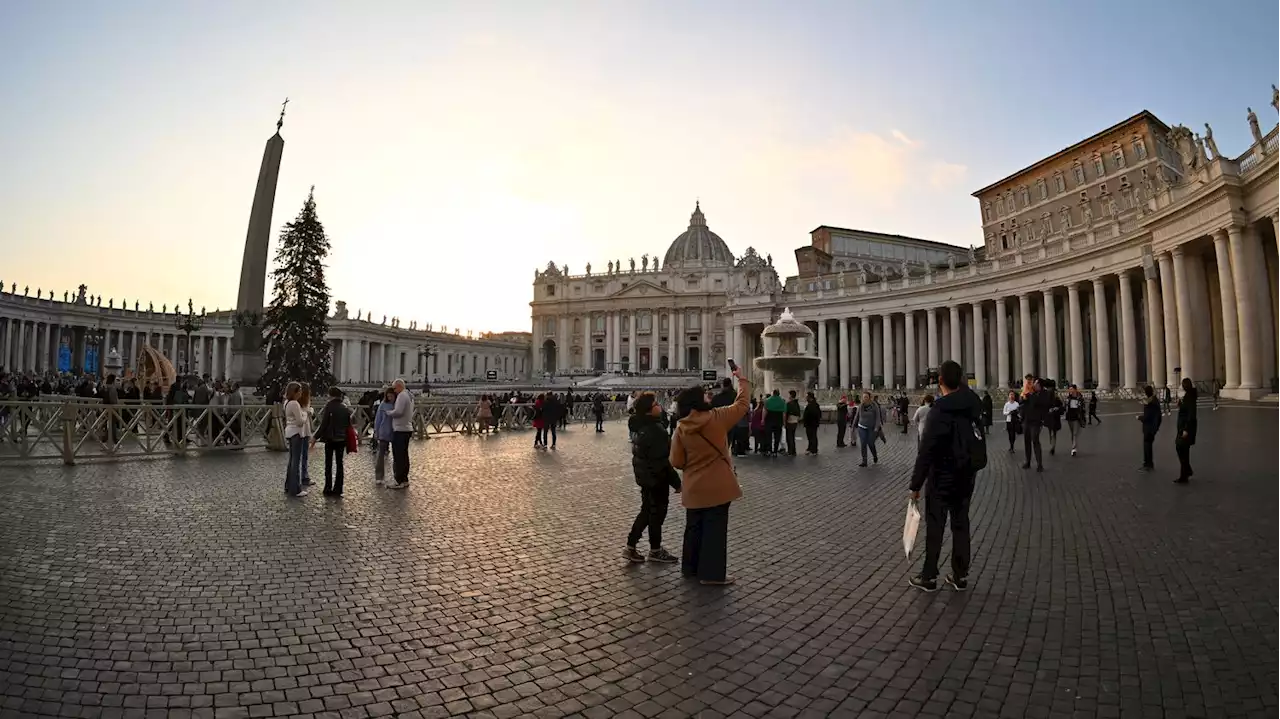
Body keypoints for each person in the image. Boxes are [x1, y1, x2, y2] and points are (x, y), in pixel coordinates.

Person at [670, 368, 750, 585]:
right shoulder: (717, 417)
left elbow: (676, 461)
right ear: (699, 401)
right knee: (715, 530)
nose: (709, 396)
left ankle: (690, 569)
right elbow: (742, 405)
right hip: (717, 486)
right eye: (705, 394)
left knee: (693, 528)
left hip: (693, 487)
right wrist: (742, 380)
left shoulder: (681, 428)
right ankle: (712, 575)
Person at [908, 360, 981, 592]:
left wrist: (916, 484)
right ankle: (959, 575)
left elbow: (926, 451)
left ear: (939, 381)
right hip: (966, 474)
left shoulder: (939, 410)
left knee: (935, 527)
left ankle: (929, 576)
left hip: (941, 476)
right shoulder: (972, 404)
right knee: (961, 524)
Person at [624, 392, 682, 563]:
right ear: (649, 410)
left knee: (646, 511)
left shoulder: (638, 426)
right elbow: (663, 461)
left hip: (645, 477)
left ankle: (631, 546)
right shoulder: (656, 430)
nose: (660, 406)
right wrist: (677, 483)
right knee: (656, 514)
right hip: (657, 478)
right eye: (656, 404)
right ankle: (655, 550)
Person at [313, 386, 353, 497]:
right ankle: (338, 488)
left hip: (330, 438)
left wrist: (315, 437)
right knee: (340, 464)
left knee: (328, 464)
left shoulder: (329, 406)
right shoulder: (345, 407)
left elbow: (324, 424)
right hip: (342, 439)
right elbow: (349, 424)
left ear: (330, 395)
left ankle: (328, 487)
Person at [282, 382, 308, 497]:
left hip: (289, 431)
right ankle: (296, 488)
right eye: (300, 391)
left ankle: (288, 485)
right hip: (296, 433)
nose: (301, 393)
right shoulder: (295, 403)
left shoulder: (286, 402)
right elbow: (300, 422)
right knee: (295, 462)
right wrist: (305, 414)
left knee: (292, 461)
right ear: (295, 392)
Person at [387, 378, 413, 489]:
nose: (394, 391)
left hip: (400, 429)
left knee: (398, 456)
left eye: (394, 388)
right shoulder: (409, 395)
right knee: (404, 455)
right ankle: (404, 479)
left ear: (399, 386)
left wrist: (388, 413)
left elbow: (398, 412)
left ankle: (399, 480)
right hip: (407, 428)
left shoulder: (402, 395)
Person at [1020, 378, 1049, 471]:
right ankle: (1027, 461)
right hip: (1027, 420)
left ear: (1040, 386)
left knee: (1035, 440)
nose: (1033, 385)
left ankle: (1039, 464)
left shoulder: (1043, 394)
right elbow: (1021, 401)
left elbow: (1036, 403)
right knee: (1026, 441)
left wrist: (1030, 394)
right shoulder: (1029, 393)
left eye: (1036, 384)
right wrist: (1024, 394)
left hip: (1036, 422)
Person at [1174, 377, 1197, 484]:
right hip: (1183, 428)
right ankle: (1186, 472)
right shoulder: (1188, 397)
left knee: (1180, 448)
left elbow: (1191, 415)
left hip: (1185, 428)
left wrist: (1186, 430)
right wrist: (1180, 405)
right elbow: (1186, 410)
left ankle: (1185, 473)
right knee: (1183, 450)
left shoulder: (1190, 397)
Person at [373, 388, 395, 486]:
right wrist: (376, 431)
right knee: (381, 454)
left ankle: (396, 475)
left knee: (397, 456)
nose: (390, 398)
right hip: (384, 431)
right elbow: (378, 419)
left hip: (394, 432)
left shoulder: (397, 404)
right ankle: (379, 476)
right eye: (388, 396)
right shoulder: (383, 404)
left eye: (391, 396)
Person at [1138, 385, 1162, 471]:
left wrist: (1139, 417)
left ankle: (1147, 464)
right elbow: (1158, 416)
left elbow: (1147, 417)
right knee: (1148, 446)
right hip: (1152, 427)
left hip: (1149, 428)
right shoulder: (1154, 401)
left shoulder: (1150, 403)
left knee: (1147, 446)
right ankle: (1149, 463)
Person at [852, 391, 880, 466]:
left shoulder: (874, 405)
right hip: (861, 427)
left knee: (871, 443)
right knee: (863, 443)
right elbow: (857, 416)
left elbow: (877, 417)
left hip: (871, 428)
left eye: (866, 397)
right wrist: (853, 427)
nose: (864, 398)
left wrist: (876, 427)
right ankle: (864, 461)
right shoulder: (861, 406)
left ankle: (875, 455)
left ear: (869, 398)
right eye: (863, 397)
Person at [298, 383, 314, 486]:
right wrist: (311, 410)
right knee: (303, 456)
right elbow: (307, 412)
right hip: (303, 431)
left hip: (301, 431)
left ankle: (301, 476)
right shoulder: (303, 402)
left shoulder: (298, 402)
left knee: (299, 456)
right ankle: (304, 476)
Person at [1063, 384, 1084, 455]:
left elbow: (1082, 408)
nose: (1070, 390)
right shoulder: (1068, 398)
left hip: (1077, 418)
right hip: (1070, 417)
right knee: (1072, 433)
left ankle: (1073, 448)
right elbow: (1065, 407)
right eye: (1069, 389)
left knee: (1075, 433)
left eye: (1071, 389)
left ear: (1075, 389)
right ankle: (1074, 446)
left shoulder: (1079, 398)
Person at [764, 389, 786, 455]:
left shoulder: (767, 400)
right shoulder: (782, 401)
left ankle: (769, 450)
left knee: (768, 436)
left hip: (769, 419)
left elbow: (765, 411)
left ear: (773, 393)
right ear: (779, 394)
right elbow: (784, 413)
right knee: (777, 436)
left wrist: (763, 419)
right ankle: (775, 451)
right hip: (778, 419)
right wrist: (784, 422)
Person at [1045, 385, 1063, 455]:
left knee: (1052, 433)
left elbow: (1062, 407)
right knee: (1052, 433)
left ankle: (1052, 446)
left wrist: (1057, 408)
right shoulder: (1049, 400)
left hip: (1054, 418)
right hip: (1052, 418)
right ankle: (1052, 445)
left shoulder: (1056, 399)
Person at [784, 390, 802, 455]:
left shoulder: (789, 404)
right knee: (792, 436)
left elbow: (785, 413)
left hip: (789, 421)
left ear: (791, 395)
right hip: (795, 422)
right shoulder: (796, 403)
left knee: (789, 437)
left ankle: (790, 451)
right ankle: (793, 451)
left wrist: (784, 422)